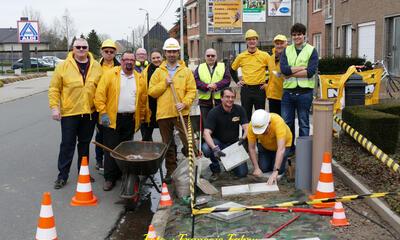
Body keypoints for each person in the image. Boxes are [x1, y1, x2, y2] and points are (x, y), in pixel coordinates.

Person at [48, 38, 102, 189]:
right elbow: (54, 88)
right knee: (67, 144)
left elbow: (102, 89)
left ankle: (82, 173)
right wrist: (54, 107)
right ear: (73, 48)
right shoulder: (63, 66)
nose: (81, 49)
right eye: (78, 47)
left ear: (88, 48)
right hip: (70, 113)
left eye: (84, 47)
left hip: (89, 113)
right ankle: (62, 176)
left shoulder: (96, 66)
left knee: (84, 145)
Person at [94, 51, 149, 191]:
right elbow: (99, 95)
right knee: (111, 149)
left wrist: (141, 117)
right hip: (112, 119)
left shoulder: (140, 78)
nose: (129, 62)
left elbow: (142, 100)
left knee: (125, 149)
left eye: (131, 59)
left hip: (129, 119)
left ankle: (122, 174)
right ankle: (109, 178)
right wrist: (103, 113)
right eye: (126, 60)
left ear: (135, 61)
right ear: (122, 61)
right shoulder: (110, 75)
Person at [148, 38, 196, 183]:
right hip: (164, 114)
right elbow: (151, 92)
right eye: (169, 51)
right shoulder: (158, 72)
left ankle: (192, 170)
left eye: (174, 51)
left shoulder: (186, 71)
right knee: (168, 145)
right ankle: (171, 171)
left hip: (182, 112)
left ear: (178, 52)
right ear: (165, 53)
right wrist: (164, 83)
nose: (172, 54)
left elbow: (192, 91)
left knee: (189, 142)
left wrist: (185, 103)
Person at [280, 23, 319, 156]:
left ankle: (303, 150)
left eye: (299, 34)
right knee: (287, 122)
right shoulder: (286, 50)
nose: (297, 37)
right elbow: (283, 70)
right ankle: (289, 148)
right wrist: (302, 68)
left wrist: (289, 73)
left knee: (304, 122)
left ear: (304, 35)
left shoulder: (311, 50)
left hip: (305, 93)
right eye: (294, 35)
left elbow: (310, 72)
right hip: (288, 93)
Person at [202, 87, 249, 181]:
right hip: (218, 144)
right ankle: (216, 169)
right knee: (206, 148)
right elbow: (206, 133)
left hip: (233, 145)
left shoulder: (239, 110)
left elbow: (247, 127)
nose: (230, 99)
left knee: (242, 173)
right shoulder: (214, 112)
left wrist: (243, 138)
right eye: (227, 97)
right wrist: (215, 149)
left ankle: (229, 165)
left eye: (232, 97)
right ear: (221, 98)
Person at [231, 29, 271, 120]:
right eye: (249, 39)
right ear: (246, 41)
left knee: (260, 116)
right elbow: (232, 69)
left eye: (254, 39)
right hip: (246, 89)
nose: (251, 41)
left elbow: (272, 69)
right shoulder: (241, 56)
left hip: (260, 89)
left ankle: (260, 134)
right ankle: (247, 134)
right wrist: (237, 81)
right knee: (245, 115)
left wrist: (267, 83)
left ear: (257, 40)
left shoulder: (265, 55)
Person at [95, 39, 121, 171]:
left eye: (111, 51)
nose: (109, 54)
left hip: (114, 105)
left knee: (112, 136)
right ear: (102, 52)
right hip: (99, 105)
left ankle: (113, 161)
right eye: (106, 51)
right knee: (100, 134)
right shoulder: (95, 67)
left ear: (115, 53)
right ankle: (99, 160)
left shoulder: (119, 67)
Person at [247, 109, 292, 185]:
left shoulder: (278, 122)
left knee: (279, 170)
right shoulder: (252, 126)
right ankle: (272, 158)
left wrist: (275, 171)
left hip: (282, 145)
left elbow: (281, 149)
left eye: (264, 131)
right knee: (263, 169)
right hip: (265, 145)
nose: (262, 133)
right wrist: (256, 168)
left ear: (269, 123)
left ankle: (282, 161)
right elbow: (251, 148)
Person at [194, 48, 231, 127]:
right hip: (204, 102)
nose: (210, 57)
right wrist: (207, 86)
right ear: (205, 57)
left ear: (216, 57)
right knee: (206, 124)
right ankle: (207, 139)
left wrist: (216, 85)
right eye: (208, 55)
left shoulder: (223, 66)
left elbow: (227, 80)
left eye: (212, 56)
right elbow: (196, 81)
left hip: (220, 101)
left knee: (220, 122)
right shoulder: (200, 67)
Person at [140, 49, 163, 141]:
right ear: (150, 59)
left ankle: (169, 153)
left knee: (166, 133)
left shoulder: (167, 69)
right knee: (147, 134)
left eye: (158, 57)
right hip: (150, 106)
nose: (156, 60)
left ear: (162, 57)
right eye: (153, 58)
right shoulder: (145, 72)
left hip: (163, 105)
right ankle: (148, 152)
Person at [265, 34, 288, 115]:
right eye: (277, 43)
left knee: (286, 121)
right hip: (272, 96)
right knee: (274, 121)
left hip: (285, 95)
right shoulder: (270, 58)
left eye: (281, 43)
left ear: (286, 44)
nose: (279, 46)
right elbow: (267, 73)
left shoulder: (289, 56)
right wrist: (265, 84)